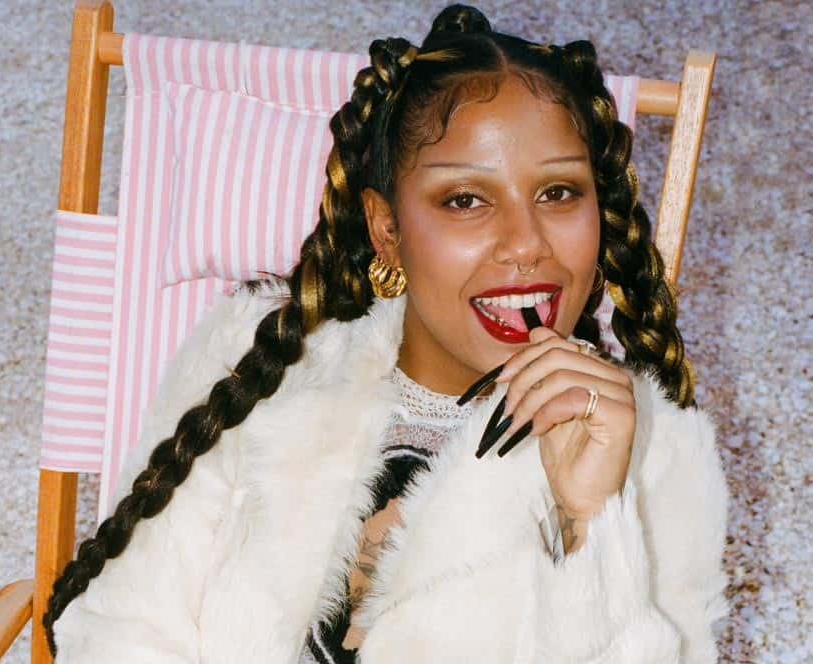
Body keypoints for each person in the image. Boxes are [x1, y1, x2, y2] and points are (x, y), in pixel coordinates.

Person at [44, 4, 730, 662]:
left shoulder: (652, 450)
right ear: (387, 230)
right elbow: (125, 625)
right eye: (466, 200)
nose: (527, 244)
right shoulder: (255, 359)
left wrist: (588, 523)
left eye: (558, 193)